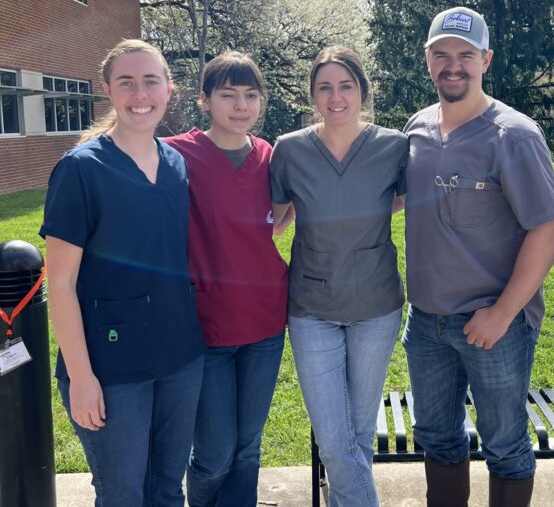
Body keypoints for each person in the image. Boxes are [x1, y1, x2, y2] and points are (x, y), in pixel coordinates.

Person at [402, 6, 554, 507]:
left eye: (466, 55)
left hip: (494, 326)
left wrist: (502, 313)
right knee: (437, 438)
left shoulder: (513, 134)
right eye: (442, 55)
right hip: (426, 323)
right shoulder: (417, 128)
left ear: (485, 60)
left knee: (506, 446)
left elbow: (548, 228)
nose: (454, 66)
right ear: (427, 60)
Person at [40, 39, 206, 507]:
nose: (141, 94)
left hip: (179, 358)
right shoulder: (80, 170)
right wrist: (81, 377)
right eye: (127, 82)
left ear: (168, 90)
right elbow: (61, 283)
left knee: (168, 491)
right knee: (123, 495)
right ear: (108, 91)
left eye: (151, 81)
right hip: (110, 369)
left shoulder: (175, 164)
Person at [269, 45, 408, 507]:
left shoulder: (393, 147)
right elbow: (276, 217)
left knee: (359, 434)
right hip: (313, 309)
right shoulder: (290, 150)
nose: (336, 97)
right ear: (312, 95)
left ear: (363, 91)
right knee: (335, 440)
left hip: (376, 307)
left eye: (346, 86)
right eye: (325, 87)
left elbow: (404, 198)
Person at [164, 52, 289, 507]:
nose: (241, 106)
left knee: (247, 448)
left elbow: (287, 211)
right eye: (228, 95)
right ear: (205, 100)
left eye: (250, 95)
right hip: (207, 326)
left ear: (262, 101)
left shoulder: (271, 156)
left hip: (265, 323)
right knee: (215, 454)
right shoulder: (176, 154)